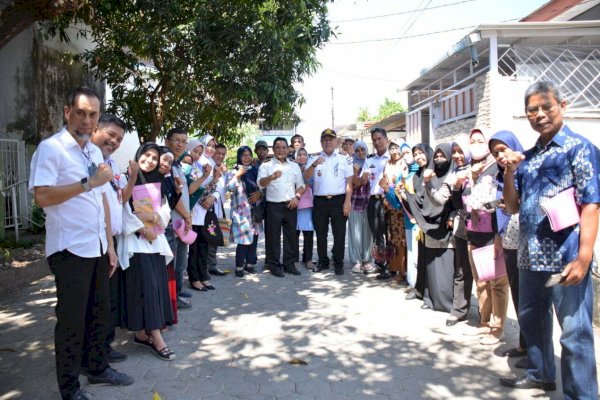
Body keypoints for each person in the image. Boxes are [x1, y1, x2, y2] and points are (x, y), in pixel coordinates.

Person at [29, 87, 133, 400]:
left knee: (100, 314)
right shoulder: (52, 149)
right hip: (69, 249)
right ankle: (69, 388)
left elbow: (101, 197)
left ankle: (97, 367)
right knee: (72, 322)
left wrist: (110, 245)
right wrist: (87, 183)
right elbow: (42, 196)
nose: (86, 120)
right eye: (81, 113)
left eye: (93, 115)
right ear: (67, 112)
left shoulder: (91, 151)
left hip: (98, 247)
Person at [500, 81, 600, 397]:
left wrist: (584, 257)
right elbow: (513, 206)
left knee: (574, 334)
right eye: (533, 109)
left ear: (562, 106)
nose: (540, 114)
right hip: (530, 257)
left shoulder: (580, 149)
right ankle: (541, 374)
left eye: (547, 107)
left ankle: (582, 394)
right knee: (532, 322)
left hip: (567, 258)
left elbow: (591, 204)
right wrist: (509, 173)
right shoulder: (527, 158)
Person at [120, 143, 175, 361]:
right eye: (147, 155)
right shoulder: (126, 178)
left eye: (155, 157)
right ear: (138, 155)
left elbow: (165, 208)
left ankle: (143, 334)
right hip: (136, 240)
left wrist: (156, 223)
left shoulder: (158, 180)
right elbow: (121, 207)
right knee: (146, 287)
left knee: (155, 286)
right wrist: (142, 227)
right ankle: (156, 338)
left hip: (155, 239)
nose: (150, 161)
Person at [455, 128, 509, 345]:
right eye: (472, 140)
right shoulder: (468, 169)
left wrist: (483, 207)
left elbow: (504, 200)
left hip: (492, 231)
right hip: (472, 231)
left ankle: (498, 327)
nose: (476, 143)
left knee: (497, 283)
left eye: (480, 140)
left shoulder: (497, 166)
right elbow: (461, 201)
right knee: (481, 283)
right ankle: (484, 323)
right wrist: (466, 182)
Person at [90, 113, 133, 364]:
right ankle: (95, 357)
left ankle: (105, 347)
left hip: (111, 241)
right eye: (110, 135)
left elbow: (121, 198)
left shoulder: (113, 165)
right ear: (96, 130)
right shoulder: (89, 164)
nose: (114, 141)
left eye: (119, 138)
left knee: (109, 300)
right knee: (98, 303)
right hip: (98, 243)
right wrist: (108, 246)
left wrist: (134, 177)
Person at [488, 131, 526, 362]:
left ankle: (535, 351)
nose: (500, 155)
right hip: (510, 241)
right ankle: (524, 344)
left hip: (528, 243)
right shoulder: (502, 176)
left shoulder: (525, 169)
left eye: (503, 149)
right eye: (496, 153)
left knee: (531, 299)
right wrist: (498, 236)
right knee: (519, 294)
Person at [406, 143, 455, 313]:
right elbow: (420, 200)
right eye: (416, 154)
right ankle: (425, 294)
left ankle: (439, 298)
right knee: (426, 262)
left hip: (441, 222)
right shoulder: (417, 176)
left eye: (421, 153)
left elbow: (442, 199)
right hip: (425, 223)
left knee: (441, 264)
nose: (419, 157)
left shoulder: (439, 174)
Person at [304, 128, 353, 275]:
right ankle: (323, 262)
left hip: (339, 200)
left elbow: (349, 181)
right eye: (325, 139)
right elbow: (306, 176)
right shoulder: (314, 158)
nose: (328, 142)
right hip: (320, 201)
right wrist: (314, 164)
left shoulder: (344, 158)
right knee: (321, 234)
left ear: (336, 142)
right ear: (321, 142)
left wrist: (347, 201)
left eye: (331, 139)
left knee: (339, 234)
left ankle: (338, 263)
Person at [258, 137, 305, 277]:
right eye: (278, 147)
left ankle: (289, 264)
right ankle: (274, 265)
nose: (281, 150)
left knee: (291, 236)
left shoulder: (294, 165)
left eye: (284, 147)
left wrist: (297, 197)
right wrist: (271, 177)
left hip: (290, 205)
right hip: (273, 206)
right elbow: (261, 184)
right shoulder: (266, 166)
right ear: (273, 149)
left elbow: (301, 185)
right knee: (273, 237)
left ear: (288, 149)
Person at [164, 128, 194, 310]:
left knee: (181, 260)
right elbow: (171, 197)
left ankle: (178, 291)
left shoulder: (178, 165)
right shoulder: (167, 165)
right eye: (176, 140)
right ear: (168, 141)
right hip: (172, 220)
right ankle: (172, 299)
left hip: (182, 220)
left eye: (184, 141)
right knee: (172, 262)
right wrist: (186, 215)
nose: (180, 144)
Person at [187, 134, 222, 291]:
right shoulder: (193, 164)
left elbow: (215, 186)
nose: (211, 149)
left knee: (204, 245)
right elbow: (194, 189)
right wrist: (205, 199)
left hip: (206, 210)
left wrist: (214, 184)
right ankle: (194, 278)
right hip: (195, 209)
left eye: (213, 146)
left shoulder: (212, 163)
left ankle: (204, 275)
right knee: (194, 247)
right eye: (208, 145)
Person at [227, 146, 264, 277]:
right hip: (241, 213)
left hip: (255, 211)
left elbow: (263, 186)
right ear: (239, 157)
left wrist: (259, 193)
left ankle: (250, 265)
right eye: (244, 155)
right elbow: (230, 188)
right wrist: (237, 175)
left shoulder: (256, 170)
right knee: (243, 242)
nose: (247, 157)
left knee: (254, 239)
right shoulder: (235, 171)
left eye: (249, 155)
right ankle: (239, 267)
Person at [360, 127, 391, 278]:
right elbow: (362, 179)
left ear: (386, 139)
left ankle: (392, 265)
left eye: (380, 138)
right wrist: (362, 179)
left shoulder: (393, 157)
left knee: (389, 233)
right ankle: (380, 264)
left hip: (388, 201)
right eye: (374, 140)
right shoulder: (369, 160)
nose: (377, 142)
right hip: (373, 201)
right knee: (376, 233)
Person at [379, 140, 407, 283]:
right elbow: (384, 183)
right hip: (390, 208)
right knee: (394, 240)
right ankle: (395, 269)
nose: (394, 151)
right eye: (391, 148)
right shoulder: (388, 164)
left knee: (403, 241)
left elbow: (402, 186)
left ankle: (403, 272)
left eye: (397, 148)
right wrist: (385, 198)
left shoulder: (406, 164)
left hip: (403, 208)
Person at [349, 140, 374, 273]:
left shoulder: (371, 163)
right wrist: (356, 173)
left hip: (369, 204)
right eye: (357, 150)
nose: (360, 152)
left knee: (367, 233)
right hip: (355, 203)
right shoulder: (352, 165)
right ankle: (357, 260)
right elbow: (353, 184)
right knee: (356, 234)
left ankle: (367, 260)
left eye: (362, 149)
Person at [206, 143, 229, 277]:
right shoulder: (207, 167)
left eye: (223, 154)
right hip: (207, 208)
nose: (220, 155)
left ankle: (212, 266)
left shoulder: (223, 170)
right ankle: (205, 268)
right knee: (207, 239)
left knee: (215, 239)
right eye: (218, 152)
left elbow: (223, 189)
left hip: (218, 208)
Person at [294, 148, 315, 270]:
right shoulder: (291, 167)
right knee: (294, 233)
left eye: (304, 155)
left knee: (308, 233)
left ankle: (308, 259)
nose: (302, 157)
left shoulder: (311, 168)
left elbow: (311, 183)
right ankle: (294, 258)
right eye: (299, 155)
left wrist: (305, 174)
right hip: (294, 203)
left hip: (307, 204)